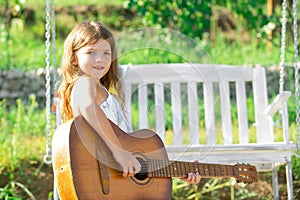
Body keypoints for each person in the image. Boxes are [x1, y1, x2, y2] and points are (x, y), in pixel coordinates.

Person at [57, 20, 201, 184]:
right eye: (91, 52)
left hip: (117, 180)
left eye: (106, 53)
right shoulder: (84, 83)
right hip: (102, 178)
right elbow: (88, 106)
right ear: (74, 58)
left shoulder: (104, 92)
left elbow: (130, 150)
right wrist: (118, 152)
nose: (100, 59)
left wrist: (175, 170)